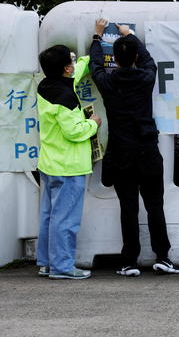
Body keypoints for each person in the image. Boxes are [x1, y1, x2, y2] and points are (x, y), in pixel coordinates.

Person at [89, 19, 179, 277]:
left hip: (121, 154)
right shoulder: (146, 78)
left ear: (115, 60)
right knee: (155, 205)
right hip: (148, 151)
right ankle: (163, 257)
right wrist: (130, 35)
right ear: (136, 57)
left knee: (128, 207)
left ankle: (129, 261)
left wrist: (97, 38)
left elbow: (95, 65)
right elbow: (149, 61)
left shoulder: (107, 83)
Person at [36, 45, 102, 280]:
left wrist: (94, 45)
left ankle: (45, 263)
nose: (75, 64)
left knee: (49, 216)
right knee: (66, 219)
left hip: (50, 164)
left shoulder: (47, 86)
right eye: (71, 61)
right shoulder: (66, 98)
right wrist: (93, 123)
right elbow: (74, 131)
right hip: (69, 167)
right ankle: (63, 267)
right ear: (65, 69)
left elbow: (76, 71)